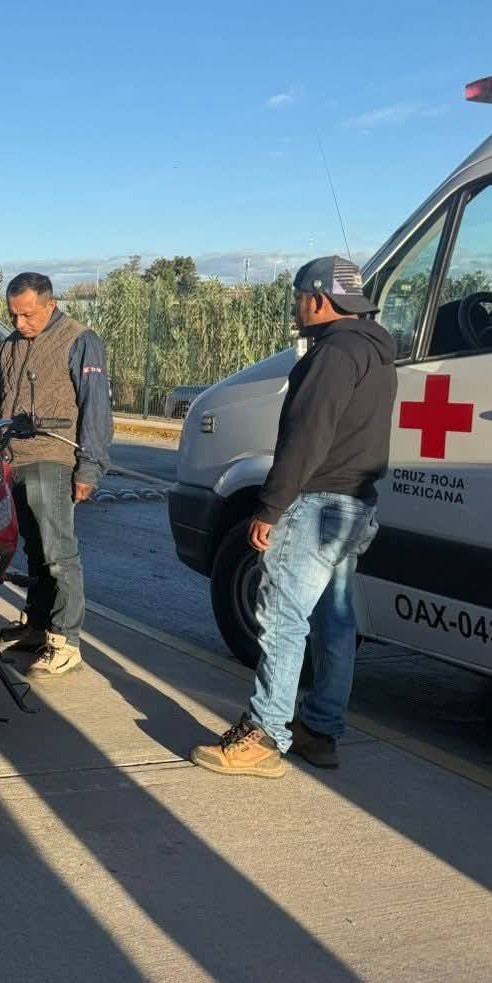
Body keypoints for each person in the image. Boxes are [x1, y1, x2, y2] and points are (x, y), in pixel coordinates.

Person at [193, 257, 395, 778]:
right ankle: (320, 729)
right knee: (335, 620)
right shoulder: (375, 352)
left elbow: (307, 437)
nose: (295, 306)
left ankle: (264, 735)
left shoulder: (332, 354)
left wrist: (270, 507)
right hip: (354, 505)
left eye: (299, 297)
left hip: (315, 504)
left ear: (319, 299)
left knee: (281, 619)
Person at [0, 272, 111, 676]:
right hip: (14, 459)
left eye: (27, 315)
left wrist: (89, 469)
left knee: (59, 552)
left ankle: (66, 641)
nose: (20, 323)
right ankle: (38, 625)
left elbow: (96, 409)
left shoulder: (81, 340)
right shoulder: (9, 345)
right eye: (13, 315)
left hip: (54, 456)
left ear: (50, 304)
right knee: (35, 550)